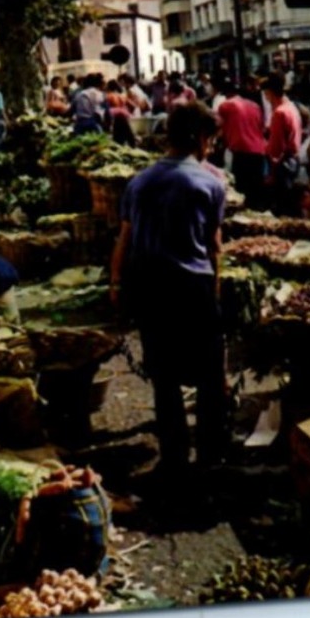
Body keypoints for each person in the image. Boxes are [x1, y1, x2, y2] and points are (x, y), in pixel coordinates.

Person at [109, 101, 229, 478]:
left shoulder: (139, 181)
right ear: (199, 139)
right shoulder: (210, 182)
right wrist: (217, 289)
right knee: (210, 372)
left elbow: (123, 239)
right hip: (193, 285)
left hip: (149, 284)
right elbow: (214, 246)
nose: (211, 146)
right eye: (210, 138)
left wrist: (115, 282)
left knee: (164, 375)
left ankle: (174, 456)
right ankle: (211, 453)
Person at [217, 76, 270, 212]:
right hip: (259, 152)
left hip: (241, 152)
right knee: (257, 192)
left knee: (241, 194)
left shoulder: (225, 106)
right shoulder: (255, 106)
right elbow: (262, 129)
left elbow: (218, 130)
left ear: (227, 94)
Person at [263, 73, 303, 216]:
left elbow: (275, 149)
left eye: (266, 94)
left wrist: (271, 173)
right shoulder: (291, 106)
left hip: (283, 164)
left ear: (269, 92)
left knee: (283, 207)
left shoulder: (279, 113)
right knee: (291, 202)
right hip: (294, 160)